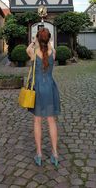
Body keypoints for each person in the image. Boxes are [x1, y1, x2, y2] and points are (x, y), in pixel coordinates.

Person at [26, 27, 60, 167]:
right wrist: (49, 42)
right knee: (51, 121)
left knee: (37, 122)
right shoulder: (53, 52)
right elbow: (50, 48)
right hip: (50, 88)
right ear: (49, 39)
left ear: (38, 39)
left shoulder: (33, 52)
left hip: (38, 89)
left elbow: (28, 48)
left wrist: (34, 42)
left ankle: (39, 154)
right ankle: (55, 154)